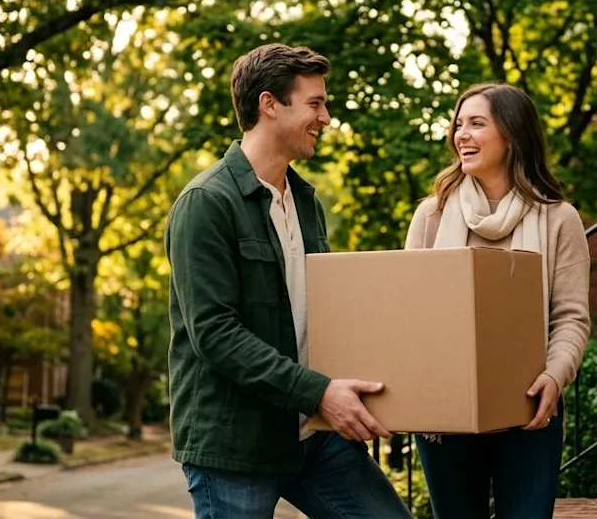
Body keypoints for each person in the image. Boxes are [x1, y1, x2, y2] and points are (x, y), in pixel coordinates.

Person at [165, 43, 413, 519]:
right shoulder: (206, 202)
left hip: (314, 435)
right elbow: (215, 333)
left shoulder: (304, 201)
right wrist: (318, 391)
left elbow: (320, 313)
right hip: (236, 448)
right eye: (315, 103)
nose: (326, 117)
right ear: (269, 104)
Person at [405, 82, 591, 519]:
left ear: (512, 134)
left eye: (476, 124)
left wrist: (555, 376)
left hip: (529, 409)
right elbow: (411, 313)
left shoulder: (559, 219)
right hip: (445, 413)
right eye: (458, 124)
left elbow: (570, 318)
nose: (461, 134)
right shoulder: (431, 216)